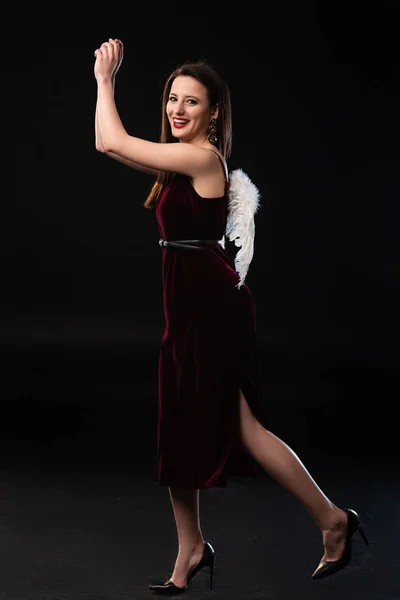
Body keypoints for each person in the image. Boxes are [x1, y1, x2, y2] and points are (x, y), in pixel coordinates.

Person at [93, 38, 368, 594]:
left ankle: (333, 519)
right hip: (188, 299)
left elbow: (111, 137)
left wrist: (104, 80)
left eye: (191, 102)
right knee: (178, 423)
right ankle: (191, 549)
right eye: (173, 98)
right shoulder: (179, 157)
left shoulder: (200, 158)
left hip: (211, 306)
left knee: (242, 426)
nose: (177, 110)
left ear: (213, 112)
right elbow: (108, 146)